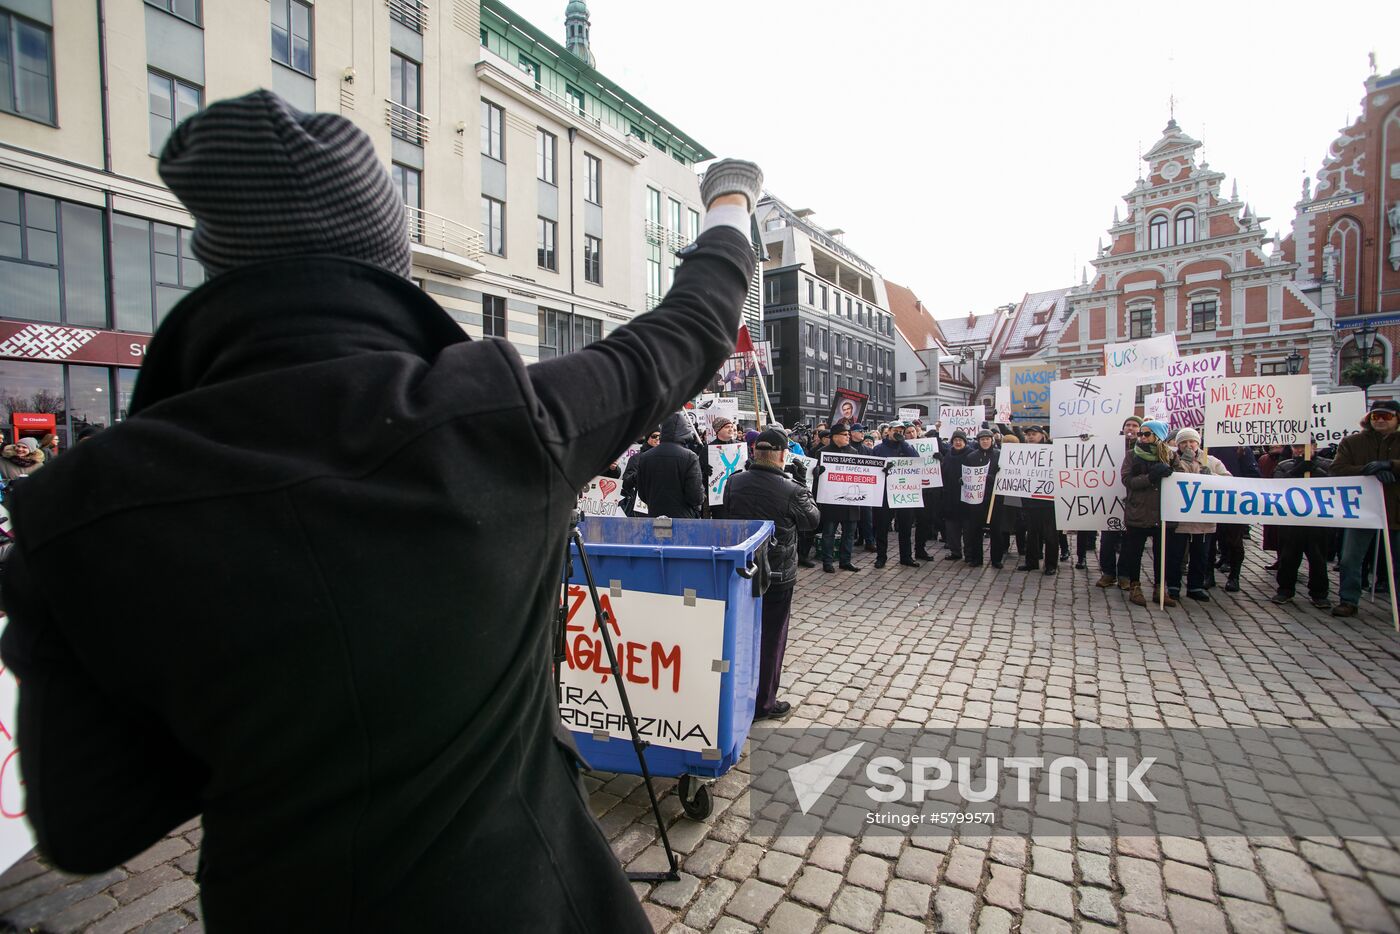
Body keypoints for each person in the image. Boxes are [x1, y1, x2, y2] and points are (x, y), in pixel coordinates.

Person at [0, 90, 763, 932]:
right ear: (386, 263)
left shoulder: (75, 510)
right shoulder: (501, 420)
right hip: (523, 904)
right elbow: (689, 328)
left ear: (217, 271)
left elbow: (85, 824)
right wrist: (729, 204)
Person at [722, 428, 821, 720]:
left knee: (741, 634)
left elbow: (726, 512)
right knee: (771, 639)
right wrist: (803, 483)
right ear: (782, 455)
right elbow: (812, 520)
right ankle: (763, 702)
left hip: (741, 569)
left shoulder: (734, 482)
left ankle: (737, 693)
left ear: (755, 452)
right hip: (776, 574)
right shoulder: (792, 489)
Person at [1329, 399, 1400, 617]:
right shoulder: (1353, 442)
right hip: (1362, 510)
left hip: (1396, 510)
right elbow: (1337, 469)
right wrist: (1367, 470)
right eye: (1375, 416)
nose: (1380, 420)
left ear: (1397, 418)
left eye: (1386, 416)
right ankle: (1348, 600)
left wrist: (1391, 466)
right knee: (1350, 558)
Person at [1163, 428, 1228, 602]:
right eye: (1183, 442)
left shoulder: (1211, 461)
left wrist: (1212, 475)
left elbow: (1228, 480)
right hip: (1179, 517)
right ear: (1178, 445)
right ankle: (1173, 586)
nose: (1188, 445)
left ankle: (1195, 586)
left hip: (1203, 519)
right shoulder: (1171, 459)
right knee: (1175, 555)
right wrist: (1182, 465)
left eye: (1191, 441)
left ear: (1198, 443)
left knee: (1200, 555)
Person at [1119, 419, 1177, 607]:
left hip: (1162, 513)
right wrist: (1150, 477)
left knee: (1162, 554)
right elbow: (1128, 481)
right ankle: (1135, 586)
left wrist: (1173, 472)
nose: (1142, 437)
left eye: (1146, 434)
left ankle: (1160, 588)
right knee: (1134, 553)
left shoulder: (1170, 456)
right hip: (1138, 511)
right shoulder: (1132, 455)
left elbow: (1181, 478)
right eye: (1140, 434)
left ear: (1157, 436)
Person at [1272, 443, 1333, 609]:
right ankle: (1285, 590)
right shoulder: (1284, 465)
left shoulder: (1327, 465)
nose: (1299, 450)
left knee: (1317, 557)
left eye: (1304, 447)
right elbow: (1276, 486)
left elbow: (1333, 485)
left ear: (1314, 446)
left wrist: (1315, 470)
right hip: (1292, 519)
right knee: (1288, 556)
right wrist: (1296, 471)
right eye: (1296, 447)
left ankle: (1319, 593)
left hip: (1317, 519)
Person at [1096, 415, 1141, 590]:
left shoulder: (1143, 448)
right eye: (1128, 425)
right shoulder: (1111, 445)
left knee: (1129, 541)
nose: (1131, 428)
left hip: (1133, 500)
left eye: (1135, 425)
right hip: (1110, 497)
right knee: (1107, 539)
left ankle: (1124, 575)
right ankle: (1108, 573)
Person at [635, 412, 706, 519]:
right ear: (684, 430)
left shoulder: (645, 457)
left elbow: (642, 493)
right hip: (683, 518)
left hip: (655, 516)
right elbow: (696, 496)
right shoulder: (690, 457)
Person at [812, 423, 861, 572]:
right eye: (845, 434)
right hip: (830, 500)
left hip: (850, 500)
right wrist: (817, 472)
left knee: (849, 533)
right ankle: (827, 562)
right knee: (829, 533)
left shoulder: (854, 452)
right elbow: (814, 477)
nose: (848, 437)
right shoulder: (822, 452)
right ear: (834, 436)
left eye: (848, 434)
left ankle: (846, 561)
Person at [871, 422, 920, 568]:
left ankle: (906, 557)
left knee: (905, 527)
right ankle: (881, 557)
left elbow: (916, 460)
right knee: (882, 527)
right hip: (885, 493)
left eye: (901, 431)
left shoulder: (906, 447)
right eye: (895, 430)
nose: (898, 433)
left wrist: (903, 443)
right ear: (888, 431)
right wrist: (883, 469)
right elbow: (872, 467)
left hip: (904, 492)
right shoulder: (879, 448)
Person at [1016, 425, 1058, 575]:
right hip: (1030, 501)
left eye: (1034, 434)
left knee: (1050, 535)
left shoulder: (1052, 449)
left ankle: (1051, 565)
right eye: (1028, 434)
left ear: (1042, 435)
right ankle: (1031, 562)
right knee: (1032, 534)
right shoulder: (1023, 452)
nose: (1031, 437)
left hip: (1049, 502)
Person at [958, 429, 1000, 567]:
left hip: (993, 498)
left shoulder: (999, 455)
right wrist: (963, 480)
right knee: (975, 529)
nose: (985, 441)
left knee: (996, 530)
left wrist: (992, 477)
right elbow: (966, 473)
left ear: (992, 440)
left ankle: (996, 559)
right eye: (982, 439)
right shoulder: (971, 456)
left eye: (987, 439)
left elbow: (1004, 474)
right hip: (976, 499)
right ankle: (977, 558)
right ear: (978, 441)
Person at [940, 430, 971, 561]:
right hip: (950, 496)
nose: (958, 442)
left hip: (966, 497)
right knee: (952, 527)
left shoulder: (971, 455)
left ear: (965, 442)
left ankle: (969, 553)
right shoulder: (948, 455)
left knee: (968, 528)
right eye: (955, 440)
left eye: (960, 440)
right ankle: (955, 551)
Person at [620, 427, 661, 515]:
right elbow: (626, 483)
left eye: (660, 437)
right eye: (654, 436)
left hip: (660, 504)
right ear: (647, 438)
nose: (657, 438)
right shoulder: (636, 458)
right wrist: (640, 473)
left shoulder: (666, 458)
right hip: (640, 508)